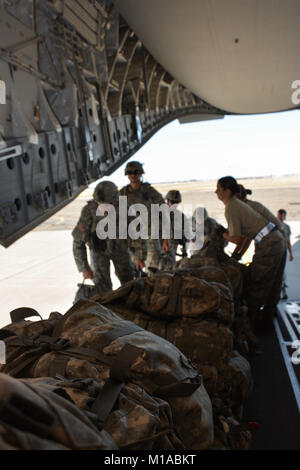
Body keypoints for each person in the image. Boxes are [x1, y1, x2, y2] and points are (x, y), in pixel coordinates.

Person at [215, 176, 286, 330]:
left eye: (219, 189)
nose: (216, 192)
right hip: (276, 240)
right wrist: (237, 255)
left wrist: (223, 234)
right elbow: (246, 237)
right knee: (273, 285)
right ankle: (266, 323)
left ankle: (249, 327)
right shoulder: (239, 204)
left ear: (227, 191)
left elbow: (239, 239)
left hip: (268, 244)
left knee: (257, 283)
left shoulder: (231, 207)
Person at [72, 180, 134, 294]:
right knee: (102, 290)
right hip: (98, 253)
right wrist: (84, 268)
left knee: (130, 285)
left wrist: (140, 256)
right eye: (101, 204)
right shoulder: (88, 211)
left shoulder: (125, 208)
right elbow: (78, 242)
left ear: (116, 201)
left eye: (109, 204)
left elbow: (138, 234)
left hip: (121, 250)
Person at [120, 161, 165, 273]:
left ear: (141, 174)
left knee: (154, 272)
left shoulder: (150, 192)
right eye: (130, 172)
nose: (133, 175)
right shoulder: (123, 193)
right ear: (127, 174)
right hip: (133, 241)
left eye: (136, 172)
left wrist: (166, 239)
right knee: (135, 276)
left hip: (151, 239)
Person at [159, 190, 190, 269]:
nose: (174, 205)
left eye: (176, 203)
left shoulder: (181, 216)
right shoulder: (158, 214)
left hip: (171, 253)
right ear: (167, 201)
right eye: (172, 202)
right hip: (157, 251)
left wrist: (184, 242)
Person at [277, 209, 294, 299]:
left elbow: (288, 241)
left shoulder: (286, 227)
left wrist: (290, 253)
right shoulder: (273, 225)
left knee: (282, 272)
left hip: (283, 252)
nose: (281, 217)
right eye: (280, 215)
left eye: (282, 215)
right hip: (275, 252)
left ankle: (282, 291)